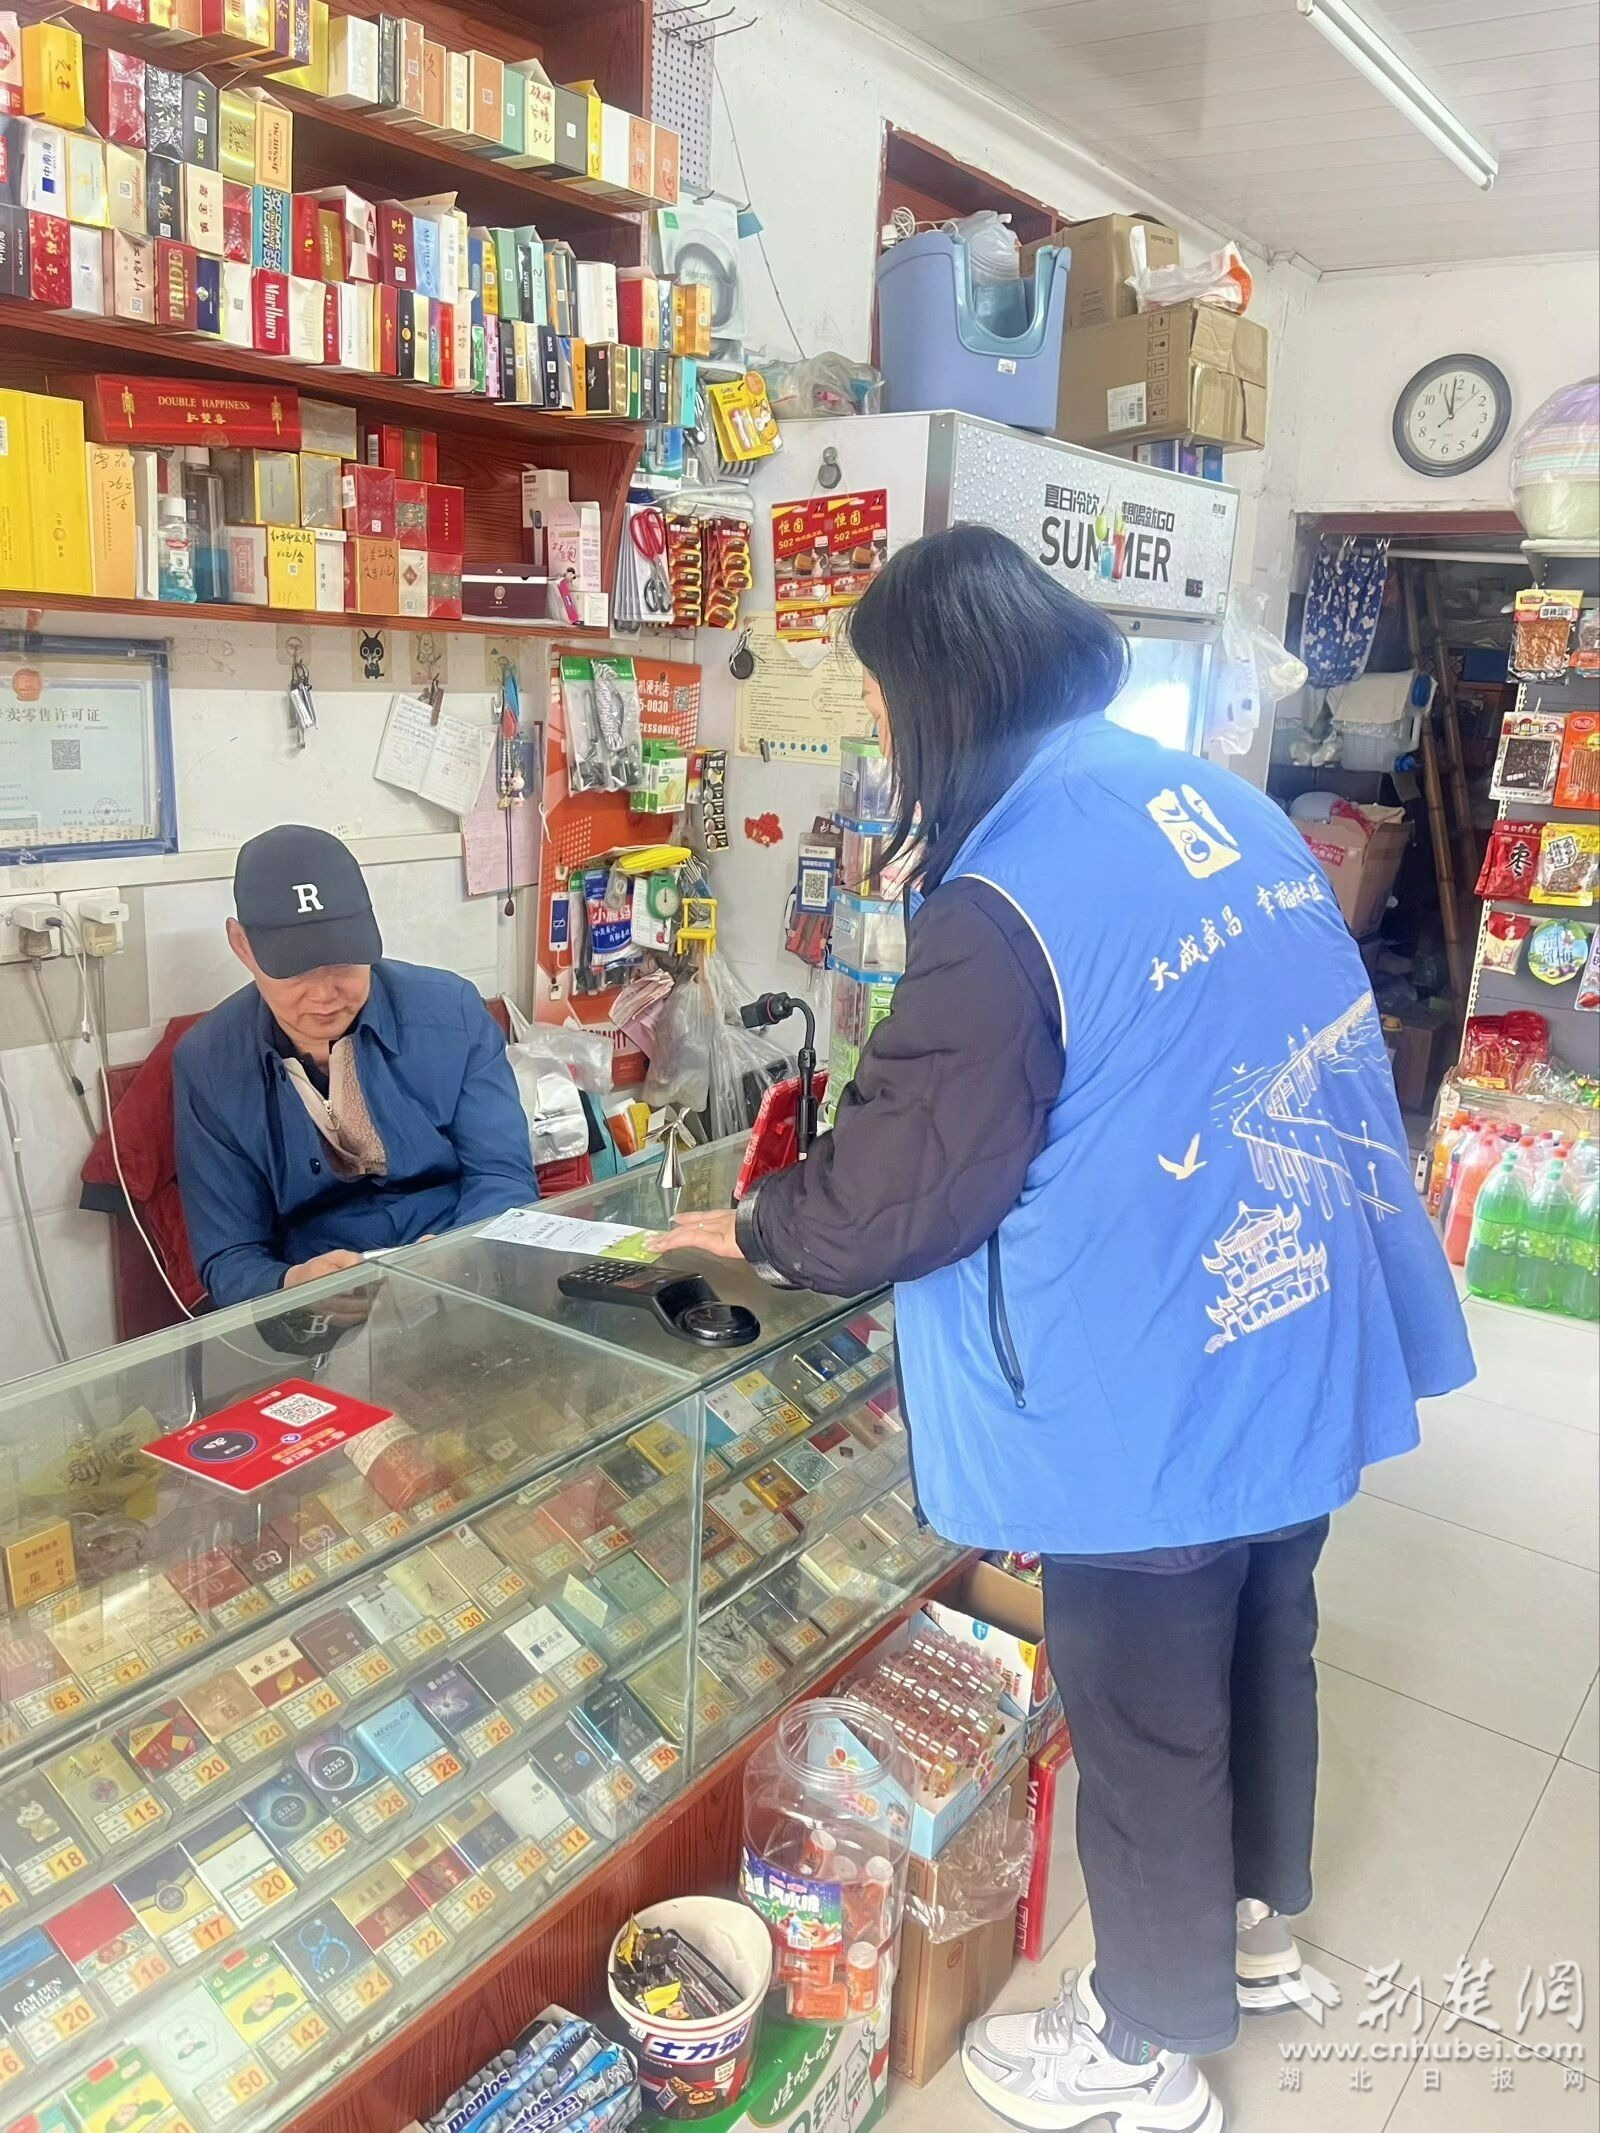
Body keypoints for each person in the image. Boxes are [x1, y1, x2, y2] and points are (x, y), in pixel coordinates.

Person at [665, 525, 1473, 2133]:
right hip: (1286, 1307)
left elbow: (905, 1194)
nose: (882, 732)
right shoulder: (1210, 803)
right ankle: (1248, 1928)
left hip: (1150, 1365)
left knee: (1149, 1704)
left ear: (943, 693)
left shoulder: (1005, 893)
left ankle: (1144, 2048)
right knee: (1265, 1625)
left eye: (883, 699)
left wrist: (756, 1225)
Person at [175, 825, 535, 1307]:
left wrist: (461, 1249)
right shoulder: (209, 1064)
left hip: (463, 1271)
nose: (325, 994)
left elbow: (504, 1179)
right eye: (295, 970)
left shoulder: (452, 1014)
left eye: (344, 962)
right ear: (243, 946)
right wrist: (291, 1288)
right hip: (320, 1303)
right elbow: (229, 1254)